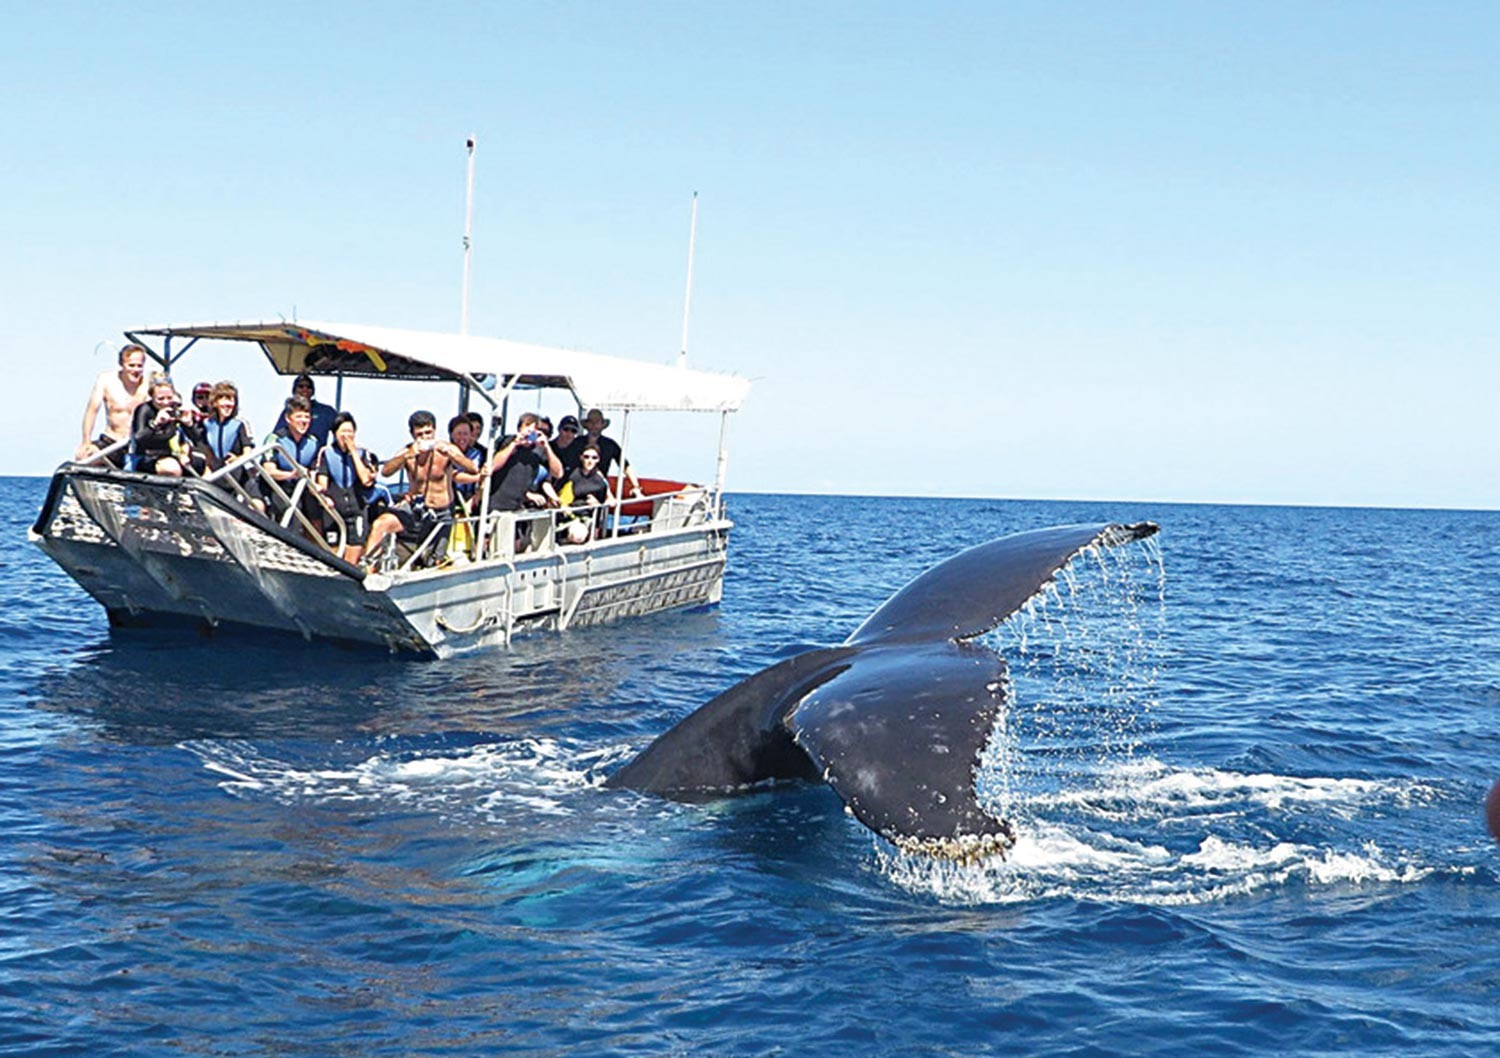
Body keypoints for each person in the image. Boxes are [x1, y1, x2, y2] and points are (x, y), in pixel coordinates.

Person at [362, 410, 478, 566]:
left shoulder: (445, 449)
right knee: (380, 524)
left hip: (441, 510)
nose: (425, 438)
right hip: (416, 508)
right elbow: (386, 471)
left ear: (435, 431)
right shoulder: (407, 452)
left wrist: (453, 455)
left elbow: (472, 469)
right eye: (420, 434)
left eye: (428, 433)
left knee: (434, 560)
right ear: (413, 435)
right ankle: (368, 568)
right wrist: (407, 456)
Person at [315, 412, 379, 564]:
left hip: (356, 510)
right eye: (343, 432)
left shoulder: (364, 454)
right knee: (333, 556)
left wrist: (353, 452)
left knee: (353, 554)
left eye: (350, 432)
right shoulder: (326, 453)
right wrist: (324, 498)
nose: (347, 436)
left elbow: (366, 479)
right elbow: (321, 482)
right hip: (334, 511)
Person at [76, 343, 151, 465]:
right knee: (83, 456)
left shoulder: (150, 384)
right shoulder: (106, 380)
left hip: (140, 443)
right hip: (112, 441)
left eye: (139, 366)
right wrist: (86, 441)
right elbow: (92, 411)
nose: (136, 370)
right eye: (131, 365)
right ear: (122, 364)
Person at [198, 380, 264, 510]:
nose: (227, 404)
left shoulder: (240, 423)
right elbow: (208, 455)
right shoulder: (206, 424)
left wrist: (237, 460)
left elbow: (248, 452)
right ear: (215, 403)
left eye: (231, 400)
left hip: (237, 474)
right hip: (217, 475)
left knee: (257, 505)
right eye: (223, 399)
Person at [485, 412, 562, 513]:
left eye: (534, 429)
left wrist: (547, 447)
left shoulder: (538, 450)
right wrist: (515, 444)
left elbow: (558, 473)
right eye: (527, 427)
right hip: (497, 504)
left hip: (519, 507)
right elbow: (492, 466)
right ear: (519, 428)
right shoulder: (507, 441)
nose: (530, 432)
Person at [263, 395, 323, 525]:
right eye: (299, 417)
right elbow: (269, 471)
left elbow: (312, 472)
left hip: (300, 489)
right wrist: (291, 474)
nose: (303, 421)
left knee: (315, 512)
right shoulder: (275, 439)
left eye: (307, 417)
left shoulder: (313, 442)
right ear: (288, 419)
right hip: (277, 488)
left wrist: (317, 489)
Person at [543, 443, 614, 544]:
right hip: (566, 515)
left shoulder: (600, 481)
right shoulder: (571, 475)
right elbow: (547, 485)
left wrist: (598, 504)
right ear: (581, 457)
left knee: (579, 534)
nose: (590, 460)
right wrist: (557, 501)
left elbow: (610, 500)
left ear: (598, 460)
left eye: (594, 458)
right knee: (576, 534)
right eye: (586, 457)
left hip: (587, 518)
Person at [129, 374, 195, 476]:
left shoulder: (174, 410)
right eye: (160, 399)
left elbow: (196, 439)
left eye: (169, 398)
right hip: (146, 456)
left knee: (200, 464)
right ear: (152, 396)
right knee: (172, 468)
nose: (165, 402)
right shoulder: (144, 409)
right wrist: (155, 423)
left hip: (168, 454)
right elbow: (138, 437)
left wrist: (188, 424)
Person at [571, 408, 641, 496]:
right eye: (591, 422)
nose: (594, 425)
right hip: (577, 486)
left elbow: (624, 465)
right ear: (587, 425)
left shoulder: (610, 445)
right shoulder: (577, 442)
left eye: (597, 422)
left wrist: (635, 486)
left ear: (602, 425)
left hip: (599, 487)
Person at [271, 373, 337, 446]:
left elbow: (342, 429)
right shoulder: (288, 411)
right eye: (301, 386)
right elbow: (276, 435)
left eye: (308, 387)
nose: (305, 389)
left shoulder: (326, 411)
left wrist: (331, 450)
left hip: (318, 454)